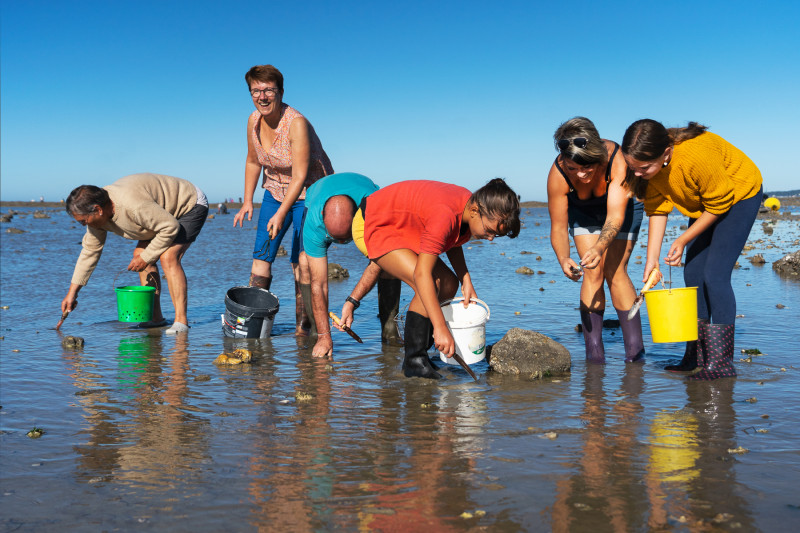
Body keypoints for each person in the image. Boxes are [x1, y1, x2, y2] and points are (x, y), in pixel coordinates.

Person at [621, 120, 763, 380]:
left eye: (643, 168)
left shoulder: (695, 156)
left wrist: (683, 239)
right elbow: (656, 209)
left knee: (715, 276)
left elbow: (720, 204)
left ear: (665, 153)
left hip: (739, 195)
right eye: (633, 168)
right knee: (693, 276)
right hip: (705, 202)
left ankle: (720, 363)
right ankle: (695, 356)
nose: (638, 173)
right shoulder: (648, 170)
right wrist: (652, 260)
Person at [361, 178, 521, 379]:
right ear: (475, 211)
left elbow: (453, 239)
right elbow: (422, 274)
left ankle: (423, 353)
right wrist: (440, 327)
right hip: (375, 220)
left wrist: (465, 279)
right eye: (489, 231)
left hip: (403, 225)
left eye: (495, 236)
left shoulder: (466, 209)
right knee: (429, 282)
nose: (490, 239)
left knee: (449, 283)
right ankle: (414, 362)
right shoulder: (445, 214)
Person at [233, 64, 333, 335]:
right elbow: (253, 162)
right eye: (256, 90)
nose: (262, 96)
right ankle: (254, 327)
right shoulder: (253, 120)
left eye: (268, 90)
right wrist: (246, 202)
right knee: (261, 258)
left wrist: (281, 214)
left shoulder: (296, 123)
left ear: (280, 91)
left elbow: (300, 176)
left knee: (302, 262)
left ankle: (306, 327)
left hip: (310, 192)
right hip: (275, 191)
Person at [547, 117, 645, 364]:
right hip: (584, 211)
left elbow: (615, 216)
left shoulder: (616, 159)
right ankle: (594, 356)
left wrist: (600, 246)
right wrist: (563, 258)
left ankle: (635, 354)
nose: (581, 175)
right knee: (592, 273)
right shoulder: (558, 174)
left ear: (596, 154)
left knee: (615, 271)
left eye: (587, 167)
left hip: (622, 208)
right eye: (573, 168)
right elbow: (558, 227)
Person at [61, 173, 209, 334]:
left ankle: (181, 322)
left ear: (97, 209)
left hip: (188, 204)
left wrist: (146, 257)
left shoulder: (132, 205)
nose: (83, 225)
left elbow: (170, 227)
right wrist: (72, 293)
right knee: (140, 254)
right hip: (158, 213)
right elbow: (89, 252)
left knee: (168, 257)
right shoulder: (97, 218)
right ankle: (155, 318)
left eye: (83, 221)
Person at [301, 172, 403, 357]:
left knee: (390, 262)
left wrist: (352, 301)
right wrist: (325, 335)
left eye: (345, 239)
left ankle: (390, 332)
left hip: (366, 198)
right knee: (306, 266)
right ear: (323, 217)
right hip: (317, 194)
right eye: (335, 239)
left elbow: (379, 261)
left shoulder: (375, 209)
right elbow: (320, 284)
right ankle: (318, 332)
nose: (341, 245)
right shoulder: (314, 222)